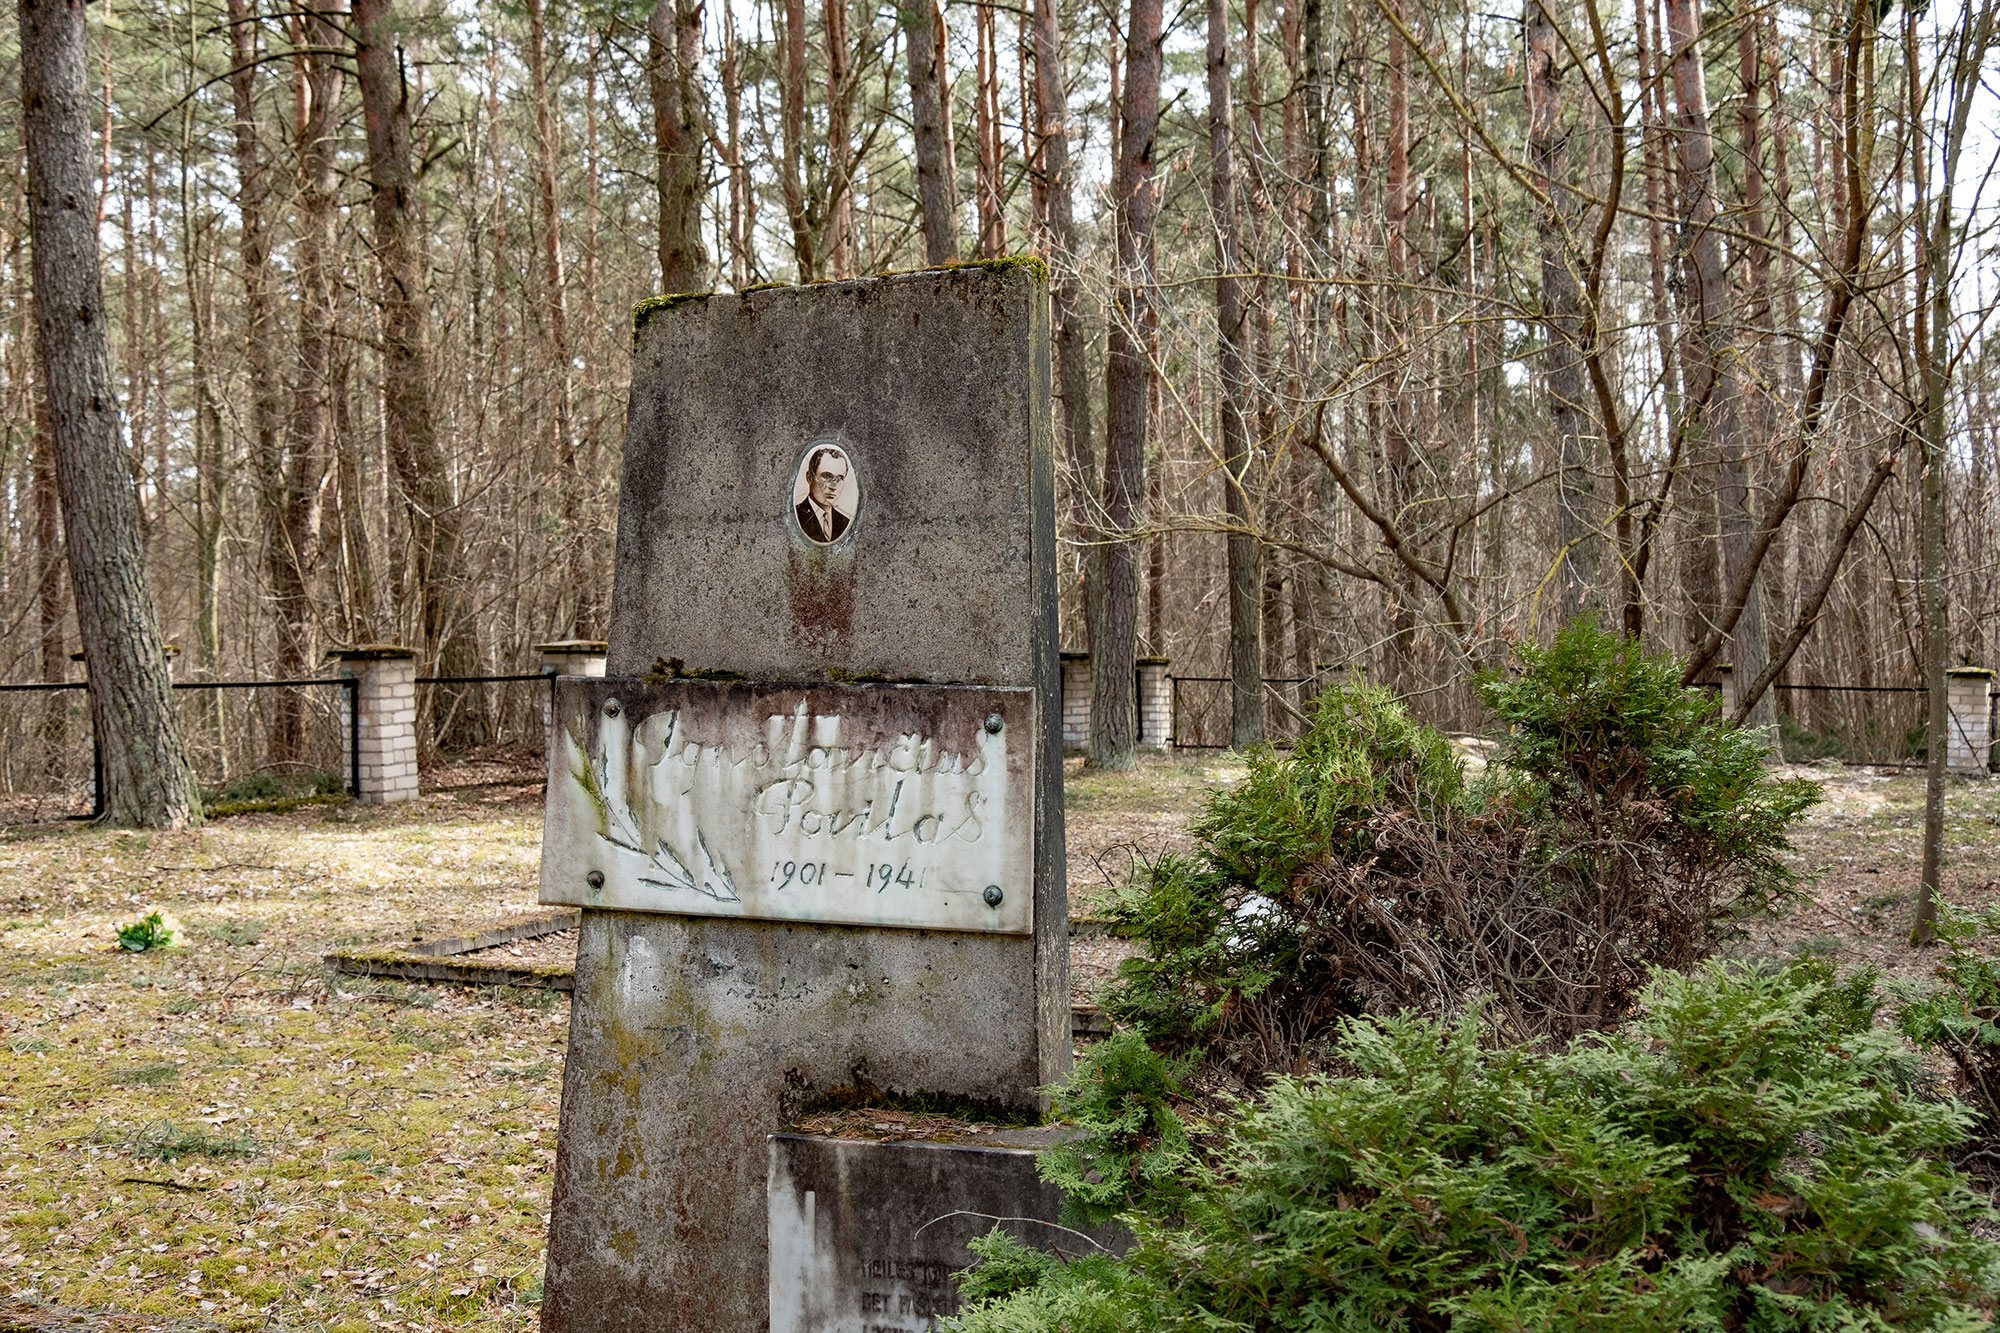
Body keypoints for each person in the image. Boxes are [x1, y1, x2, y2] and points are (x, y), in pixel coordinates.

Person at [795, 446, 852, 543]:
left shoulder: (844, 522)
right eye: (827, 476)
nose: (833, 486)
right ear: (810, 478)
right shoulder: (796, 516)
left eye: (840, 478)